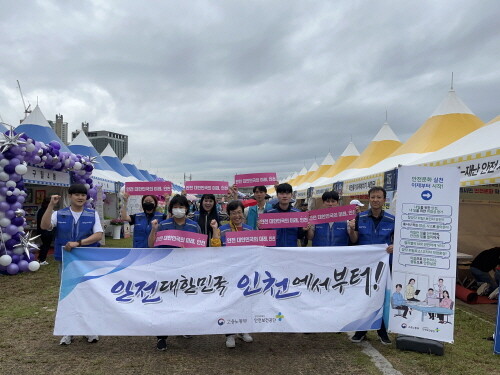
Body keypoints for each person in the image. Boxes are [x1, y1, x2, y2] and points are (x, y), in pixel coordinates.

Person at [40, 183, 103, 346]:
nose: (80, 197)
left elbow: (98, 235)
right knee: (69, 295)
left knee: (88, 294)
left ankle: (90, 329)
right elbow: (44, 226)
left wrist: (79, 243)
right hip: (66, 262)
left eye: (83, 195)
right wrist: (50, 206)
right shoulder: (59, 214)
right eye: (77, 194)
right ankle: (69, 330)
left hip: (87, 260)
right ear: (70, 196)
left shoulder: (92, 214)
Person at [148, 194, 202, 350]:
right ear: (171, 209)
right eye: (176, 207)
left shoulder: (194, 226)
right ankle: (161, 336)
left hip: (187, 270)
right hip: (167, 270)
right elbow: (151, 245)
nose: (179, 209)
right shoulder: (163, 225)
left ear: (187, 208)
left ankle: (184, 327)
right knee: (165, 302)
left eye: (182, 206)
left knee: (185, 300)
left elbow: (200, 249)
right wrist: (153, 230)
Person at [348, 186, 394, 345]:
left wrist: (394, 246)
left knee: (382, 298)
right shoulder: (360, 218)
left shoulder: (392, 219)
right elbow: (354, 241)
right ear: (369, 199)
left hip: (384, 266)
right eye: (373, 197)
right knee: (364, 297)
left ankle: (382, 331)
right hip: (364, 266)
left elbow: (398, 241)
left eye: (379, 197)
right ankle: (361, 330)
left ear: (384, 200)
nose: (375, 200)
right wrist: (352, 230)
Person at [210, 200, 254, 348]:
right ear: (228, 214)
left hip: (246, 272)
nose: (237, 215)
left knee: (245, 301)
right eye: (234, 213)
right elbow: (215, 247)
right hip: (228, 272)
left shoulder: (249, 230)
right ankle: (229, 334)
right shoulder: (222, 230)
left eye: (239, 212)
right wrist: (215, 231)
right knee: (229, 302)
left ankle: (244, 329)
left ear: (243, 213)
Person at [264, 183, 306, 247]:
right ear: (277, 195)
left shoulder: (297, 213)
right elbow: (265, 235)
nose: (284, 196)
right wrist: (261, 227)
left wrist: (303, 230)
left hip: (291, 250)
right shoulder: (269, 212)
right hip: (274, 250)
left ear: (291, 195)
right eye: (281, 193)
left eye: (287, 193)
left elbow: (299, 236)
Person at [36, 197, 54, 265]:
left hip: (41, 231)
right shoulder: (47, 211)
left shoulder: (40, 210)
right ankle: (42, 259)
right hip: (46, 231)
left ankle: (40, 258)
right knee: (46, 245)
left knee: (44, 245)